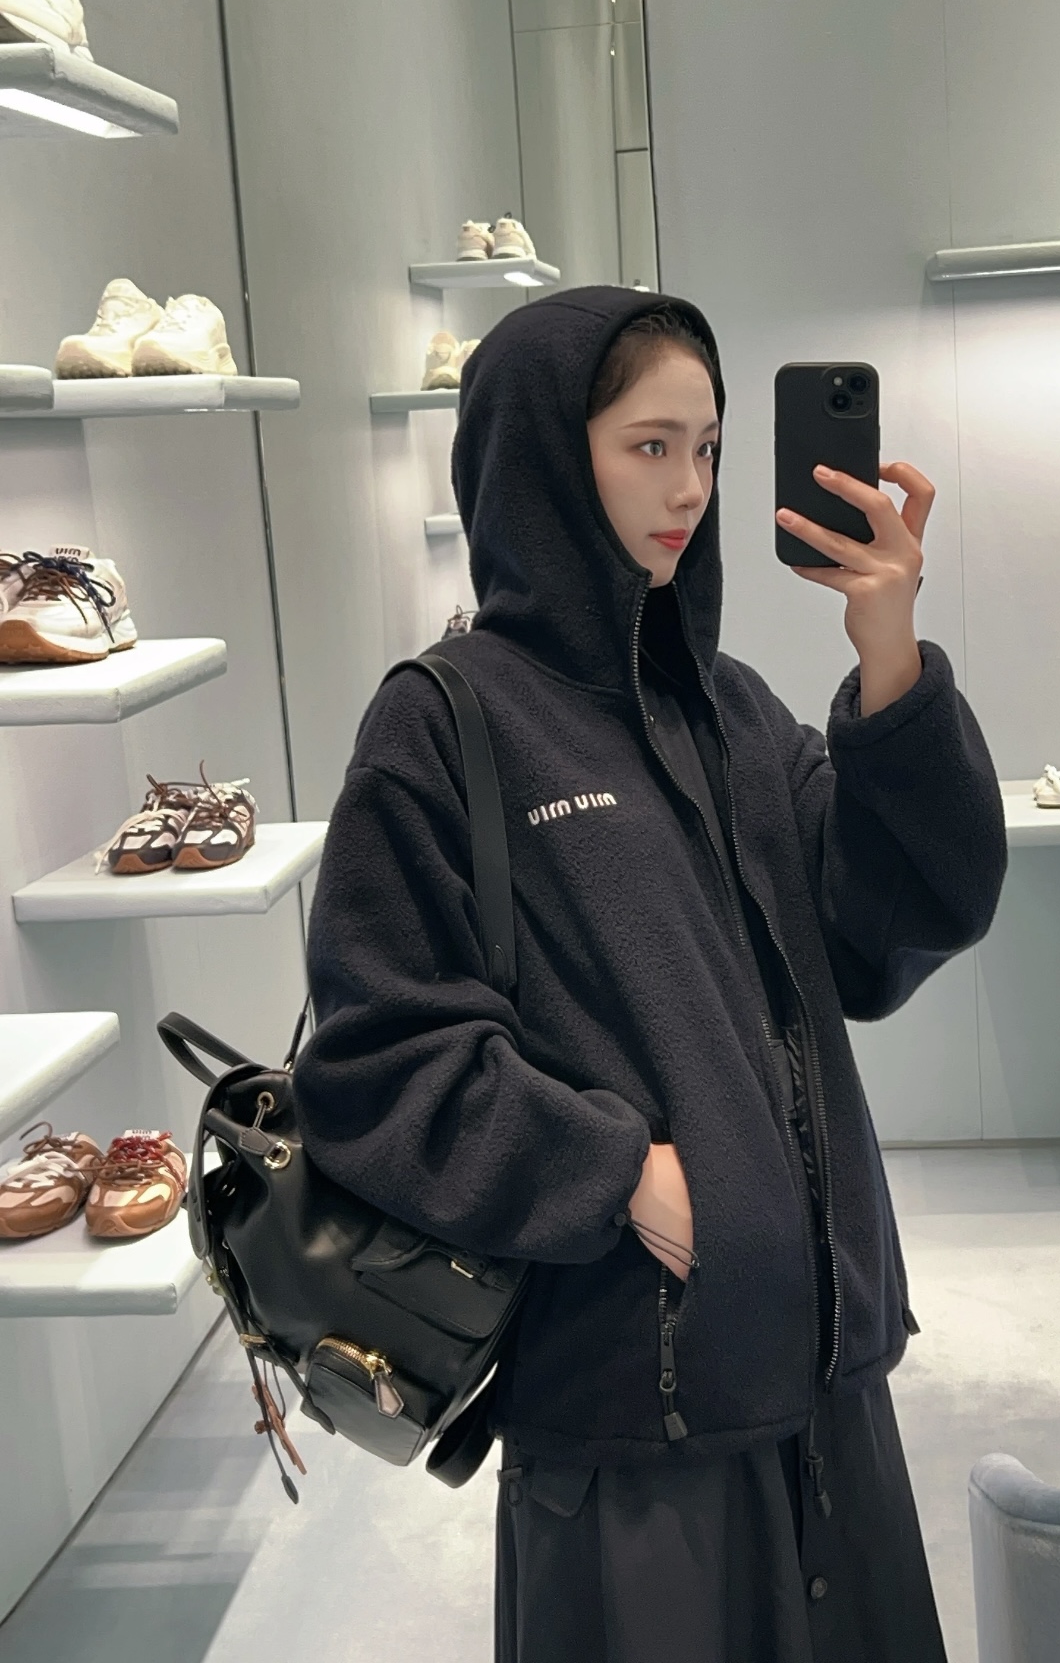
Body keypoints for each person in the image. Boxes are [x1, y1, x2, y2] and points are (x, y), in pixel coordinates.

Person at [293, 286, 1007, 1662]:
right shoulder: (444, 723)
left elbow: (905, 919)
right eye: (650, 446)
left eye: (711, 448)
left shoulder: (731, 711)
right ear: (544, 456)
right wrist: (614, 1169)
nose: (690, 488)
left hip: (826, 1378)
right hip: (634, 1401)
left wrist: (891, 659)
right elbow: (378, 1058)